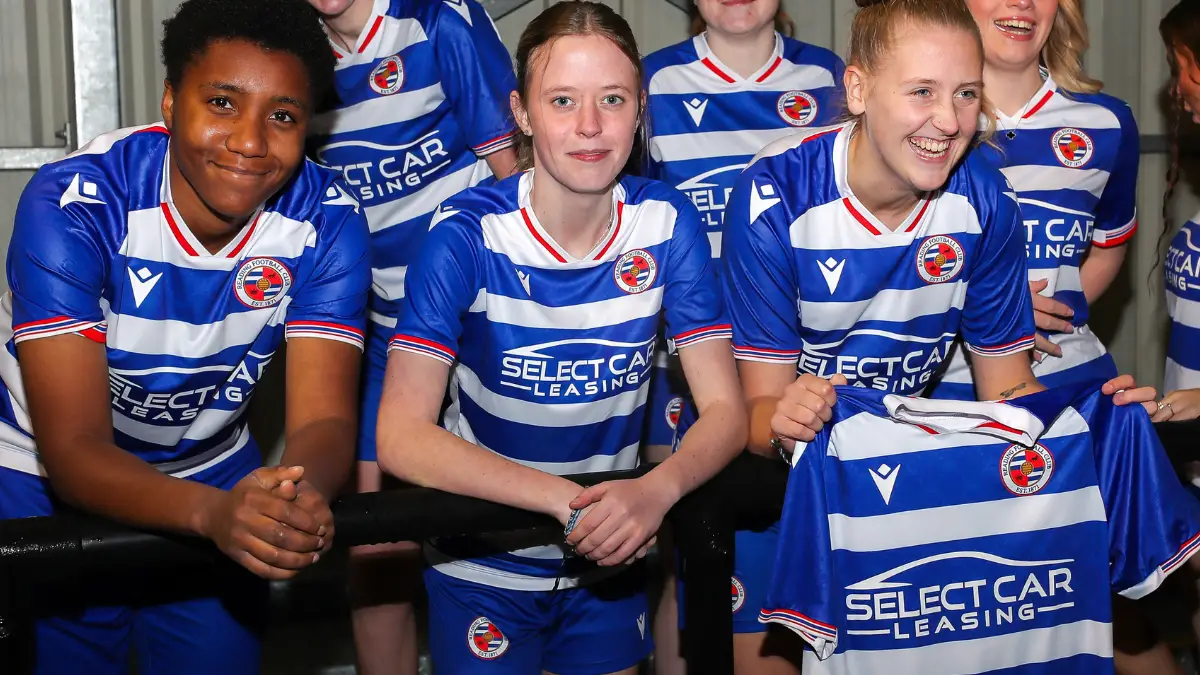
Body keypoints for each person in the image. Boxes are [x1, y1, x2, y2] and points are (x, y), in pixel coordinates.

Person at [374, 2, 747, 673]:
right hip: (481, 558)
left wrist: (656, 491)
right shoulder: (465, 234)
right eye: (562, 100)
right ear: (520, 112)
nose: (589, 126)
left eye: (612, 99)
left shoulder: (666, 221)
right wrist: (561, 502)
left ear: (640, 110)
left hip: (612, 555)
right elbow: (400, 436)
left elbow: (725, 410)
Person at [0, 0, 370, 673]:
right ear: (171, 102)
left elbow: (325, 418)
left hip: (213, 468)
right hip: (39, 475)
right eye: (223, 103)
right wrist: (215, 516)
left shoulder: (331, 220)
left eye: (282, 115)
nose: (251, 141)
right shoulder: (76, 203)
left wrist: (293, 498)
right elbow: (74, 447)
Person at [718, 0, 1157, 490]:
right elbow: (758, 411)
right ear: (859, 90)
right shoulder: (775, 193)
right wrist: (788, 422)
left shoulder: (988, 197)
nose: (949, 121)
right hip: (779, 485)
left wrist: (1095, 419)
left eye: (966, 94)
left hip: (904, 457)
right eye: (922, 92)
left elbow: (1006, 387)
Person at [304, 1, 518, 672]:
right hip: (376, 339)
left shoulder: (437, 20)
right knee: (376, 552)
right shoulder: (286, 42)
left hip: (478, 326)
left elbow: (515, 175)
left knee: (518, 537)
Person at [640, 1, 844, 672]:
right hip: (689, 370)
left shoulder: (832, 79)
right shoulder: (648, 83)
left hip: (804, 373)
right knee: (683, 548)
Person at [926, 0, 1138, 401]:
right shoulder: (917, 121)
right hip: (940, 394)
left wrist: (1048, 318)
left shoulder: (1109, 123)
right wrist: (999, 311)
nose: (1021, 2)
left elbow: (1108, 251)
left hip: (1075, 382)